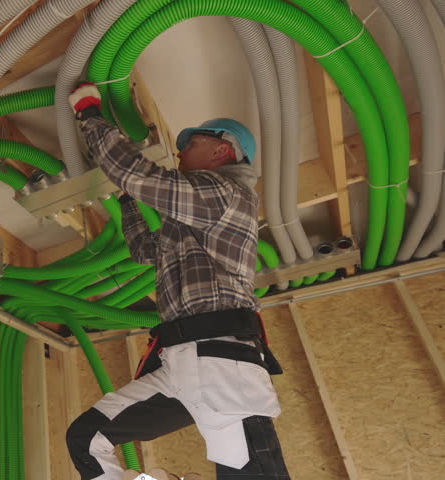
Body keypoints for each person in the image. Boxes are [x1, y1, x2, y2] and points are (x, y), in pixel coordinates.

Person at [64, 83, 291, 480]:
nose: (181, 151)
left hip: (222, 365)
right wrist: (127, 199)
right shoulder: (193, 216)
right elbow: (146, 252)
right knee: (85, 438)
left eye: (193, 143)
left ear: (222, 151)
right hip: (182, 364)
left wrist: (88, 112)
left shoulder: (225, 193)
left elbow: (139, 175)